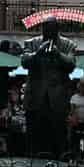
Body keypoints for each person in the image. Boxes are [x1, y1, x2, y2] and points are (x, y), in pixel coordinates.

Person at [21, 15, 76, 158]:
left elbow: (71, 64)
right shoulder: (31, 43)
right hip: (35, 98)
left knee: (58, 135)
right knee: (34, 136)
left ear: (57, 29)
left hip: (57, 99)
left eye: (51, 28)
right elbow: (25, 61)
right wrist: (38, 53)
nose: (48, 31)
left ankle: (58, 160)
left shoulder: (68, 44)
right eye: (45, 28)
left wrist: (58, 54)